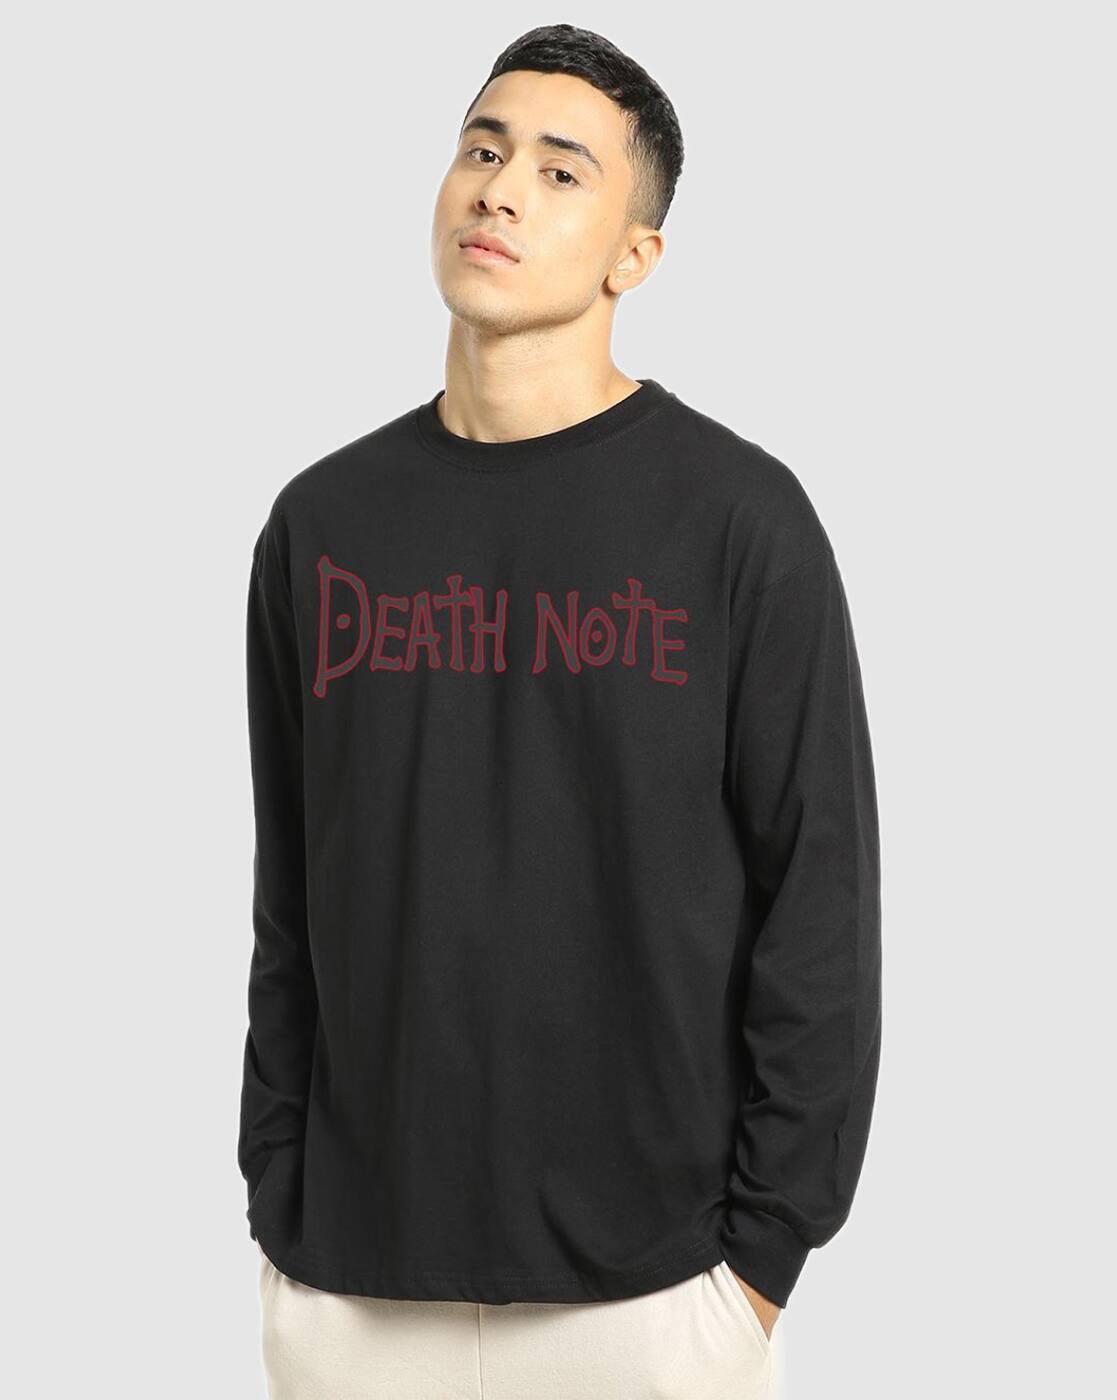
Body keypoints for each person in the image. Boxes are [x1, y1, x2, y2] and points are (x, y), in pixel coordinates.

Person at [238, 22, 881, 1400]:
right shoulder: (321, 525)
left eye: (560, 169)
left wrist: (762, 1258)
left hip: (653, 1302)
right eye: (482, 148)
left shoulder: (738, 522)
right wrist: (277, 1197)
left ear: (633, 255)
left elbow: (818, 904)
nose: (501, 189)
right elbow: (290, 892)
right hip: (351, 1294)